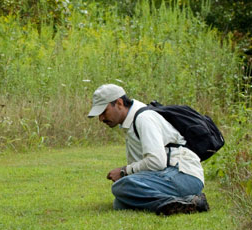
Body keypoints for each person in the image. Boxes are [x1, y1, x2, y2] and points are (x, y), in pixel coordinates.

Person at [87, 83, 209, 215]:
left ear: (119, 103)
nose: (101, 118)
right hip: (171, 175)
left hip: (183, 175)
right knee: (120, 203)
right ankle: (183, 202)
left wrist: (124, 171)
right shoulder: (133, 120)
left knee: (122, 186)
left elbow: (157, 162)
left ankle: (187, 201)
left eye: (103, 111)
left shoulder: (144, 119)